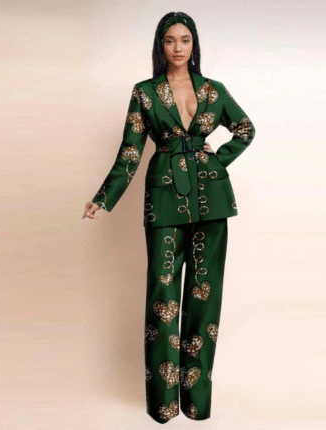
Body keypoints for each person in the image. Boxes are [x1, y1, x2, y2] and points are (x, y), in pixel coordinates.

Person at [83, 11, 256, 423]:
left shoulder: (214, 90)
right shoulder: (145, 93)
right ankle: (163, 404)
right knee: (163, 297)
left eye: (185, 40)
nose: (178, 48)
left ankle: (197, 402)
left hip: (212, 200)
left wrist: (219, 159)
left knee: (205, 298)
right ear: (160, 46)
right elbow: (130, 152)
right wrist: (103, 198)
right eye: (170, 40)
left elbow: (245, 129)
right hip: (163, 198)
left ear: (194, 45)